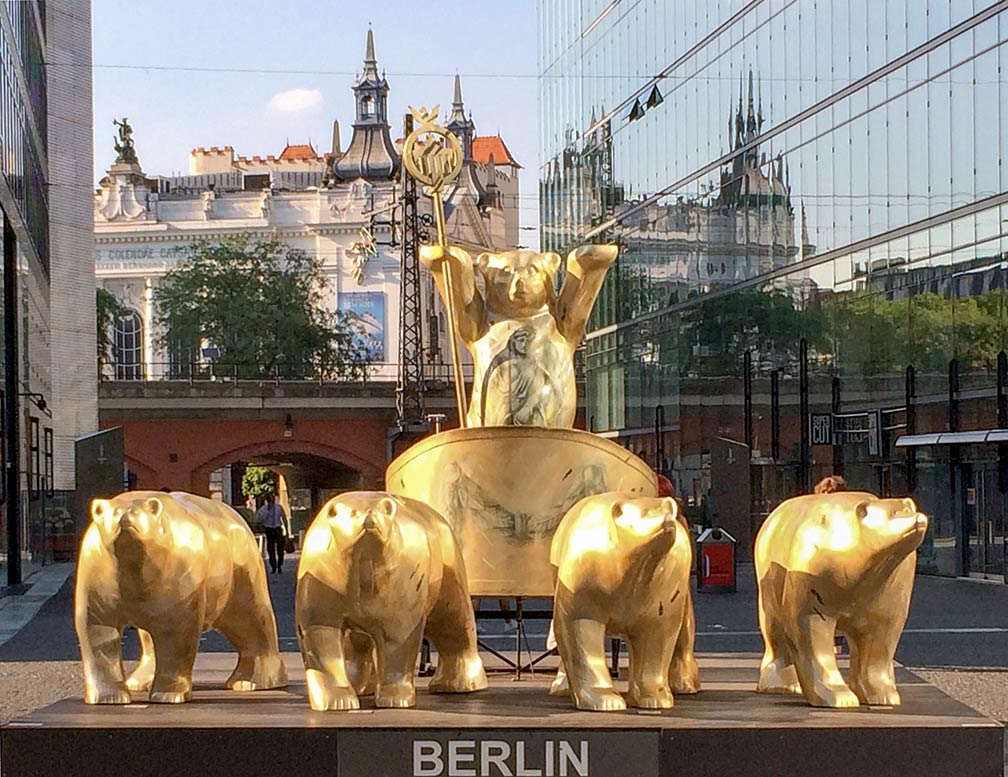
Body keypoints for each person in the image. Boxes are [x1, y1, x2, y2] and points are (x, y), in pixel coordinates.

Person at [258, 492, 287, 574]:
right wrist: (268, 510)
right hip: (269, 529)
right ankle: (273, 566)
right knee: (271, 549)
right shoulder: (264, 509)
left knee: (280, 548)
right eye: (270, 497)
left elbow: (283, 518)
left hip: (277, 528)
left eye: (273, 497)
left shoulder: (279, 507)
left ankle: (280, 564)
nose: (272, 499)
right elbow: (262, 519)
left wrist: (286, 531)